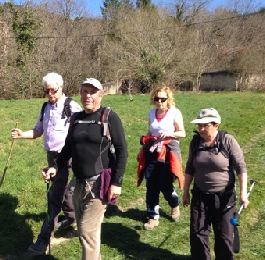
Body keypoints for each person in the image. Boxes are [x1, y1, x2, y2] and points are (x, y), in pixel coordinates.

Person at [43, 78, 128, 260]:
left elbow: (122, 151)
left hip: (98, 184)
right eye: (84, 91)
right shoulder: (76, 118)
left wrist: (117, 183)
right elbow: (67, 149)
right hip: (78, 183)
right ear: (80, 93)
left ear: (100, 94)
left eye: (92, 92)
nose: (88, 96)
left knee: (87, 232)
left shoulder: (108, 117)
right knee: (84, 230)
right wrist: (54, 167)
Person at [11, 72, 82, 255]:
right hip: (53, 158)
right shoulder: (45, 108)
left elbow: (84, 128)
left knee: (72, 192)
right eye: (47, 90)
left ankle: (73, 223)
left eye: (53, 90)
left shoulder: (72, 106)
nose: (50, 94)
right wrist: (21, 134)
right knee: (57, 195)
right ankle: (47, 239)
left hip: (73, 154)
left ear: (61, 88)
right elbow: (37, 131)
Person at [182, 108, 249, 260]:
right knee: (198, 234)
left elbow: (241, 167)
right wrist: (185, 191)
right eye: (199, 125)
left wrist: (243, 193)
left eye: (205, 125)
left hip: (224, 197)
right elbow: (190, 167)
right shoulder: (196, 142)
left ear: (216, 124)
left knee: (224, 237)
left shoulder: (227, 141)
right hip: (200, 195)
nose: (201, 129)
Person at [136, 85, 186, 230]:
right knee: (151, 184)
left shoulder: (174, 113)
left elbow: (182, 133)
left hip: (168, 152)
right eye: (156, 98)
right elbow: (149, 130)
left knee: (165, 185)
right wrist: (143, 148)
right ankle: (153, 217)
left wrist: (170, 135)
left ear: (168, 99)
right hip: (152, 151)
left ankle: (174, 204)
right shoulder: (152, 113)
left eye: (162, 99)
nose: (159, 101)